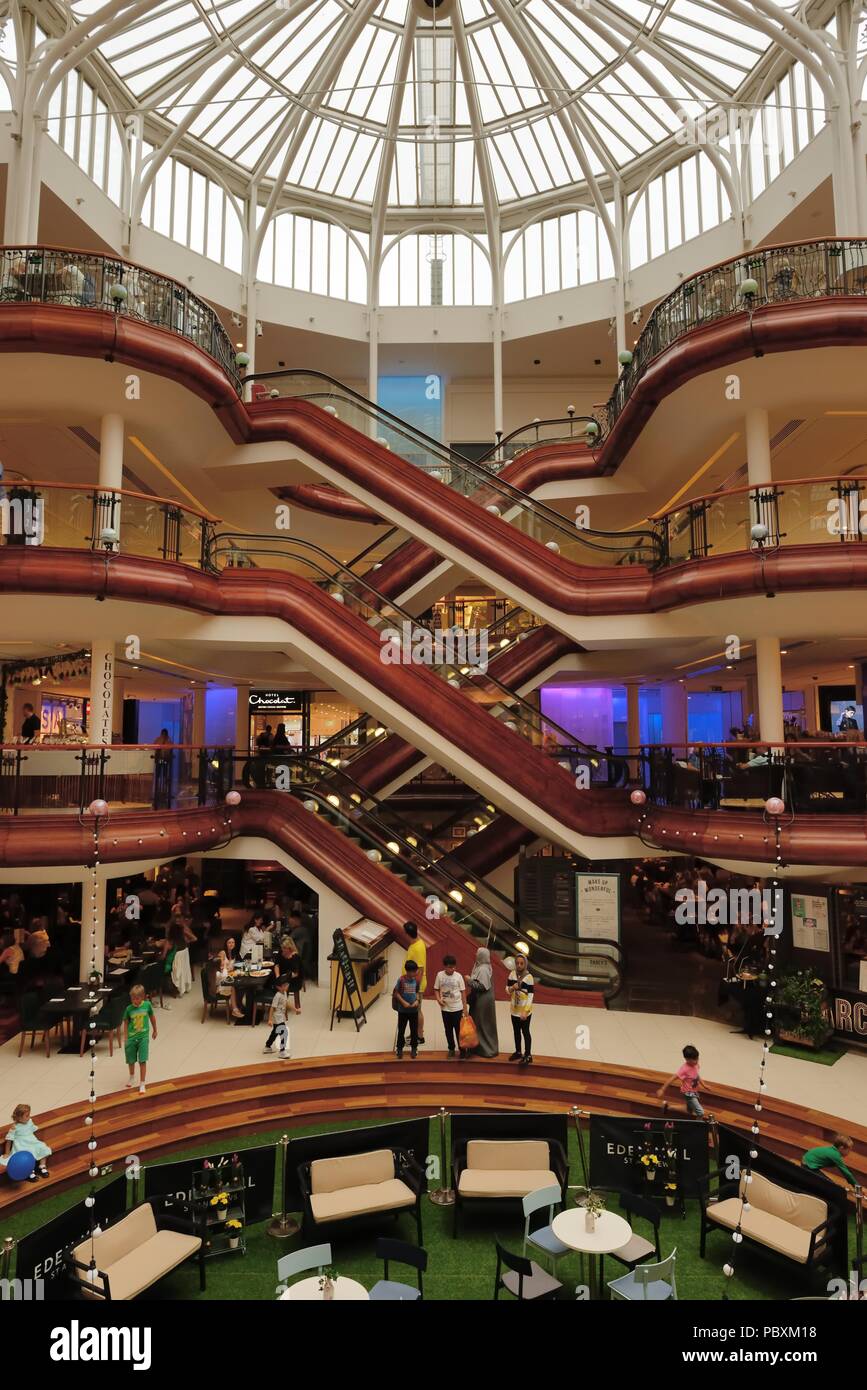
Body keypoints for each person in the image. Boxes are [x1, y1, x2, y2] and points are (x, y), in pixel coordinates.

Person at [657, 1044, 713, 1118]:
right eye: (693, 1060)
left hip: (694, 1091)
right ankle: (697, 1127)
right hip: (688, 1093)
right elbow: (672, 1078)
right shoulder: (684, 1069)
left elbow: (697, 1075)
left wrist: (704, 1085)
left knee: (689, 1110)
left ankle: (667, 1107)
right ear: (687, 1059)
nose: (696, 1061)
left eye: (697, 1058)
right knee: (700, 1113)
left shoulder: (696, 1065)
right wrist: (662, 1089)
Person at [1, 1103, 51, 1181]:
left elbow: (32, 1129)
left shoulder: (29, 1121)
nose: (29, 1117)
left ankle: (42, 1166)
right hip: (21, 1144)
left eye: (29, 1115)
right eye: (26, 1116)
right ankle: (29, 1172)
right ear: (19, 1118)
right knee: (26, 1155)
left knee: (43, 1147)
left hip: (31, 1141)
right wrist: (7, 1153)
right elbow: (9, 1140)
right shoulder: (15, 1127)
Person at [123, 983, 157, 1094]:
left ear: (142, 997)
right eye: (132, 999)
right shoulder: (129, 1009)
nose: (135, 1001)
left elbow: (152, 1017)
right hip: (132, 1038)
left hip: (143, 1038)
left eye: (137, 999)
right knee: (131, 1060)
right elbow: (126, 1022)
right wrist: (126, 1037)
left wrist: (155, 1030)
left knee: (142, 1060)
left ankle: (142, 1083)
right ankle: (131, 1076)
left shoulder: (147, 1005)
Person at [467, 946, 498, 1057]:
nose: (476, 954)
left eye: (478, 953)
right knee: (478, 1023)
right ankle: (476, 1046)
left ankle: (486, 1049)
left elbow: (482, 986)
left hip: (482, 1001)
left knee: (481, 1024)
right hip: (480, 1000)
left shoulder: (483, 969)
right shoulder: (480, 965)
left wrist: (469, 981)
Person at [434, 955, 467, 1057]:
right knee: (448, 1030)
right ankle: (451, 1048)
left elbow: (463, 992)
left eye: (454, 967)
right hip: (445, 1008)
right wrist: (439, 1000)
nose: (452, 969)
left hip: (457, 1008)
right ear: (445, 966)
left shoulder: (458, 976)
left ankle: (462, 1050)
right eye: (450, 967)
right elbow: (436, 989)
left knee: (459, 1031)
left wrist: (465, 1008)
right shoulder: (439, 975)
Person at [506, 954, 534, 1067]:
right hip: (514, 1010)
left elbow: (531, 996)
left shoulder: (529, 977)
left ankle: (528, 1055)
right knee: (516, 1032)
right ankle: (518, 1052)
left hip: (524, 1012)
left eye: (521, 963)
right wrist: (512, 988)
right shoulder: (512, 974)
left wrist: (525, 1011)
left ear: (525, 964)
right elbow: (507, 990)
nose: (519, 965)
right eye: (517, 963)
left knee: (525, 1032)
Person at [403, 921, 427, 1044]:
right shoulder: (416, 942)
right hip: (411, 983)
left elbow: (420, 970)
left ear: (407, 934)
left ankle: (419, 1037)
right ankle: (416, 1034)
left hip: (416, 985)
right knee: (415, 1011)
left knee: (417, 1011)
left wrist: (415, 990)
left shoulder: (418, 948)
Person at [392, 958, 421, 1059]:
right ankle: (399, 1048)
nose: (416, 972)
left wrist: (417, 1001)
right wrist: (403, 1003)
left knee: (414, 1030)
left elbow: (417, 992)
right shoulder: (401, 980)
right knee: (401, 1030)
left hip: (413, 1010)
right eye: (415, 971)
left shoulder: (417, 980)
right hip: (403, 1010)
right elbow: (396, 993)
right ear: (409, 971)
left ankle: (414, 1047)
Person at [263, 976, 292, 1059]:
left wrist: (295, 1009)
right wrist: (269, 1019)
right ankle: (282, 1051)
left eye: (287, 984)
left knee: (275, 1032)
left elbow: (286, 1003)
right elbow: (272, 1007)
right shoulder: (277, 996)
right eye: (285, 985)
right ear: (279, 987)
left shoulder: (284, 993)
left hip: (281, 1017)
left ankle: (267, 1047)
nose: (287, 986)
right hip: (277, 1017)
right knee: (284, 1032)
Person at [274, 936, 304, 1012]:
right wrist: (278, 977)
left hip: (293, 980)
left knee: (281, 986)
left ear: (290, 948)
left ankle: (283, 1005)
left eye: (284, 948)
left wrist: (285, 980)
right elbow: (276, 965)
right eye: (282, 948)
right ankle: (279, 1003)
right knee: (274, 982)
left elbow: (295, 973)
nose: (282, 950)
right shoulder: (280, 952)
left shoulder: (295, 957)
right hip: (282, 977)